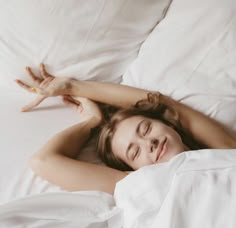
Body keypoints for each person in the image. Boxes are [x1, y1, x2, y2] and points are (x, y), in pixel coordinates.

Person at [16, 64, 236, 194]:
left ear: (168, 123)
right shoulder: (141, 184)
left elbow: (163, 104)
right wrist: (92, 121)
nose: (149, 144)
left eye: (146, 129)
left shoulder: (226, 152)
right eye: (135, 152)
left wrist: (73, 86)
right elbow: (43, 161)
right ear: (133, 170)